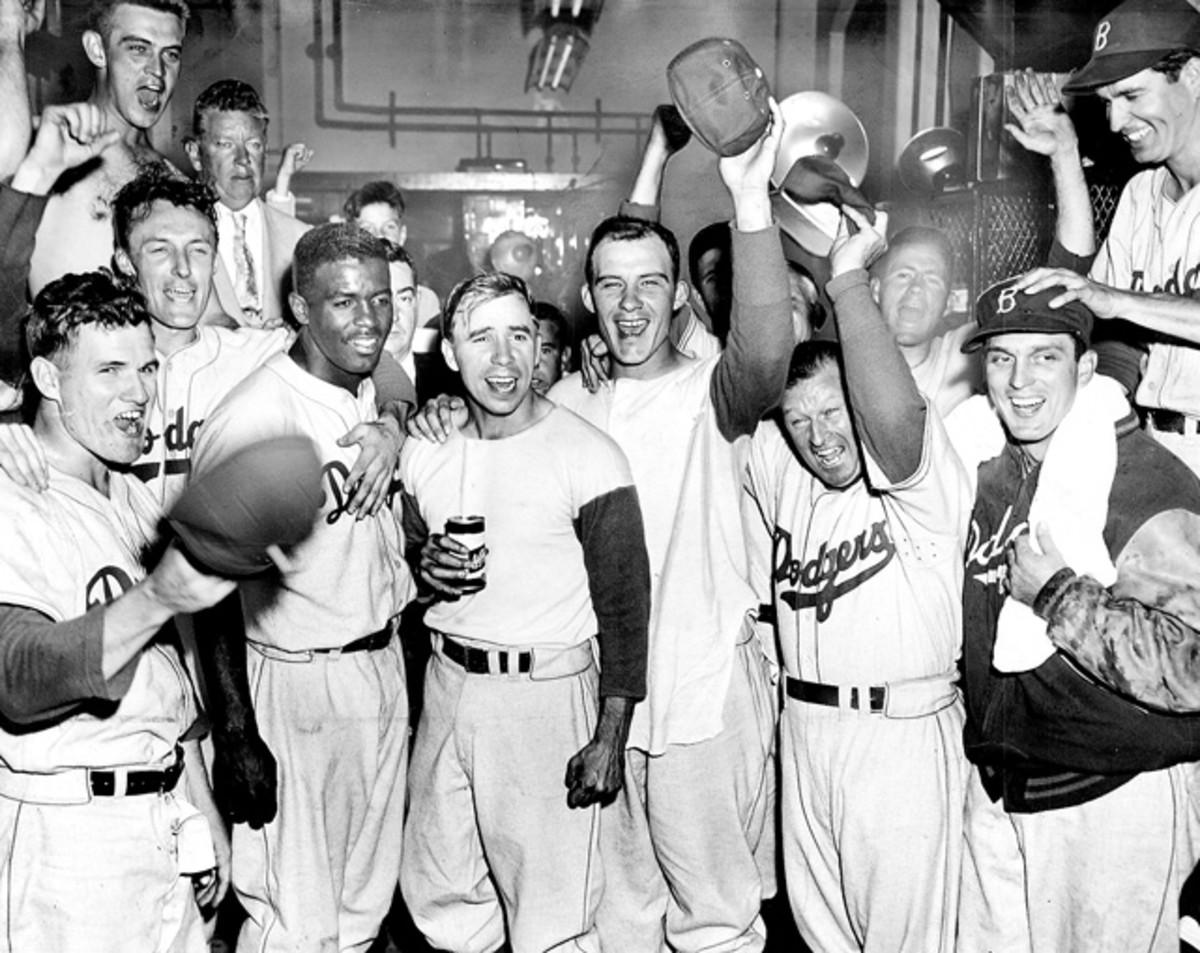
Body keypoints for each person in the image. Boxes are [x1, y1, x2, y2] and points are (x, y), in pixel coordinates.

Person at [549, 101, 791, 953]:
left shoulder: (710, 393)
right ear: (585, 298)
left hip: (699, 693)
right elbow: (625, 258)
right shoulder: (562, 402)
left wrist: (748, 200)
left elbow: (765, 354)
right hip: (597, 700)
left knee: (717, 921)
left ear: (683, 295)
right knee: (617, 917)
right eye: (610, 287)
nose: (629, 304)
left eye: (652, 284)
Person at [398, 271, 650, 953]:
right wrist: (424, 565)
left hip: (545, 694)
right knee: (443, 896)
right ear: (449, 353)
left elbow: (626, 607)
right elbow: (409, 551)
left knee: (553, 918)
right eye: (481, 338)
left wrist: (610, 736)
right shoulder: (426, 446)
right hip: (449, 689)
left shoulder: (588, 455)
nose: (504, 359)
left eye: (520, 335)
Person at [745, 208, 970, 953]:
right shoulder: (785, 468)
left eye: (834, 411)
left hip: (898, 733)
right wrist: (753, 202)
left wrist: (849, 284)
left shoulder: (915, 463)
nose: (820, 435)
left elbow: (892, 411)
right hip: (805, 733)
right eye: (799, 420)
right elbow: (752, 365)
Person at [953, 275, 1200, 952]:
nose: (1019, 380)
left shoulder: (1143, 477)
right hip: (1008, 787)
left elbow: (1193, 669)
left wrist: (1060, 593)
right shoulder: (993, 468)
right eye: (1001, 358)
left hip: (1111, 797)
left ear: (1086, 366)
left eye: (1045, 356)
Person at [190, 223, 414, 952]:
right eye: (344, 302)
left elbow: (390, 386)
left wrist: (393, 420)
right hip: (296, 683)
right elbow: (211, 583)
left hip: (377, 668)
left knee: (358, 913)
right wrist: (235, 732)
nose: (369, 320)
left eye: (379, 300)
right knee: (294, 917)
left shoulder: (360, 393)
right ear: (298, 306)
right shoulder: (258, 416)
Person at [0, 269, 236, 952]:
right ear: (47, 379)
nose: (138, 393)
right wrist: (157, 596)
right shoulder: (15, 495)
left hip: (158, 816)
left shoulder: (134, 496)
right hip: (69, 839)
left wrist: (198, 802)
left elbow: (168, 682)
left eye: (146, 367)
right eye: (109, 371)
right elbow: (18, 677)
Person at [1006, 0, 1200, 473]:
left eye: (1132, 96)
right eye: (1108, 102)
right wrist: (1065, 155)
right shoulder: (1141, 193)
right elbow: (1088, 306)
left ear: (1193, 77)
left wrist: (1114, 300)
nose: (1115, 123)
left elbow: (1107, 300)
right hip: (1157, 443)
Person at [28, 0, 188, 295]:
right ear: (97, 50)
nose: (158, 71)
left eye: (171, 55)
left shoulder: (175, 178)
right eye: (138, 49)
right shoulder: (42, 150)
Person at [186, 79, 310, 329]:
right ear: (195, 154)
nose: (243, 160)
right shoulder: (176, 237)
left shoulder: (300, 238)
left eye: (253, 145)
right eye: (225, 144)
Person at [871, 225, 978, 415]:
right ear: (876, 291)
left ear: (950, 302)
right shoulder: (851, 366)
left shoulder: (963, 356)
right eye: (903, 275)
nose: (916, 288)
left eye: (932, 279)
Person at [344, 178, 441, 325]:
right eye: (368, 229)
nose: (379, 236)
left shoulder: (424, 302)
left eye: (389, 227)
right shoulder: (342, 301)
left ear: (402, 235)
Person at [531, 299, 572, 394]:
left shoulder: (584, 402)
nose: (534, 364)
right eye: (527, 351)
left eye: (545, 351)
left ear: (564, 357)